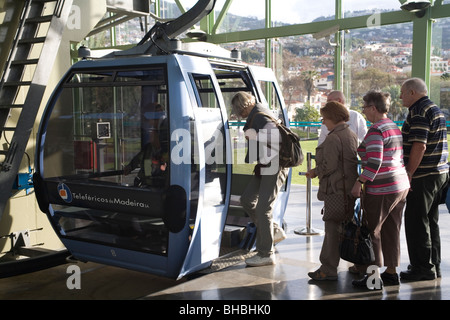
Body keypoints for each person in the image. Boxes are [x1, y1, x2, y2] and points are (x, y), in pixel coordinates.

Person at [350, 91, 410, 289]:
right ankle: (391, 273)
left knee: (372, 232)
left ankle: (373, 278)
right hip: (399, 185)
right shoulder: (393, 126)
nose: (364, 111)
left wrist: (359, 182)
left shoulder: (376, 130)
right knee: (392, 229)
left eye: (365, 107)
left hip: (382, 188)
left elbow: (374, 163)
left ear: (373, 108)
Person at [231, 91, 289, 267]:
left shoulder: (259, 117)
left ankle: (265, 253)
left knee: (264, 207)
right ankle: (274, 231)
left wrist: (253, 137)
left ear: (243, 106)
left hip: (274, 165)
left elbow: (276, 139)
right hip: (266, 165)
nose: (238, 114)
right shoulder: (258, 113)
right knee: (248, 199)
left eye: (238, 110)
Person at [399, 78, 449, 281]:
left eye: (403, 92)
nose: (400, 96)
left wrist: (409, 172)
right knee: (430, 221)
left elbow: (420, 145)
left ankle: (422, 268)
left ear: (412, 92)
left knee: (416, 222)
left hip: (423, 176)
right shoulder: (434, 108)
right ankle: (433, 265)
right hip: (439, 174)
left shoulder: (419, 111)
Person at [306, 101, 359, 281]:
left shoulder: (333, 138)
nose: (323, 122)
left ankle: (328, 268)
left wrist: (314, 172)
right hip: (348, 190)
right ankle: (357, 263)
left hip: (336, 190)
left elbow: (329, 165)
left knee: (331, 228)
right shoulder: (351, 134)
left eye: (324, 118)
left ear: (333, 118)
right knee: (345, 226)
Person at [124, 104, 169, 188]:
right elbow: (138, 158)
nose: (151, 133)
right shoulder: (148, 149)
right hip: (146, 185)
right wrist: (130, 167)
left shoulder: (167, 151)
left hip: (158, 187)